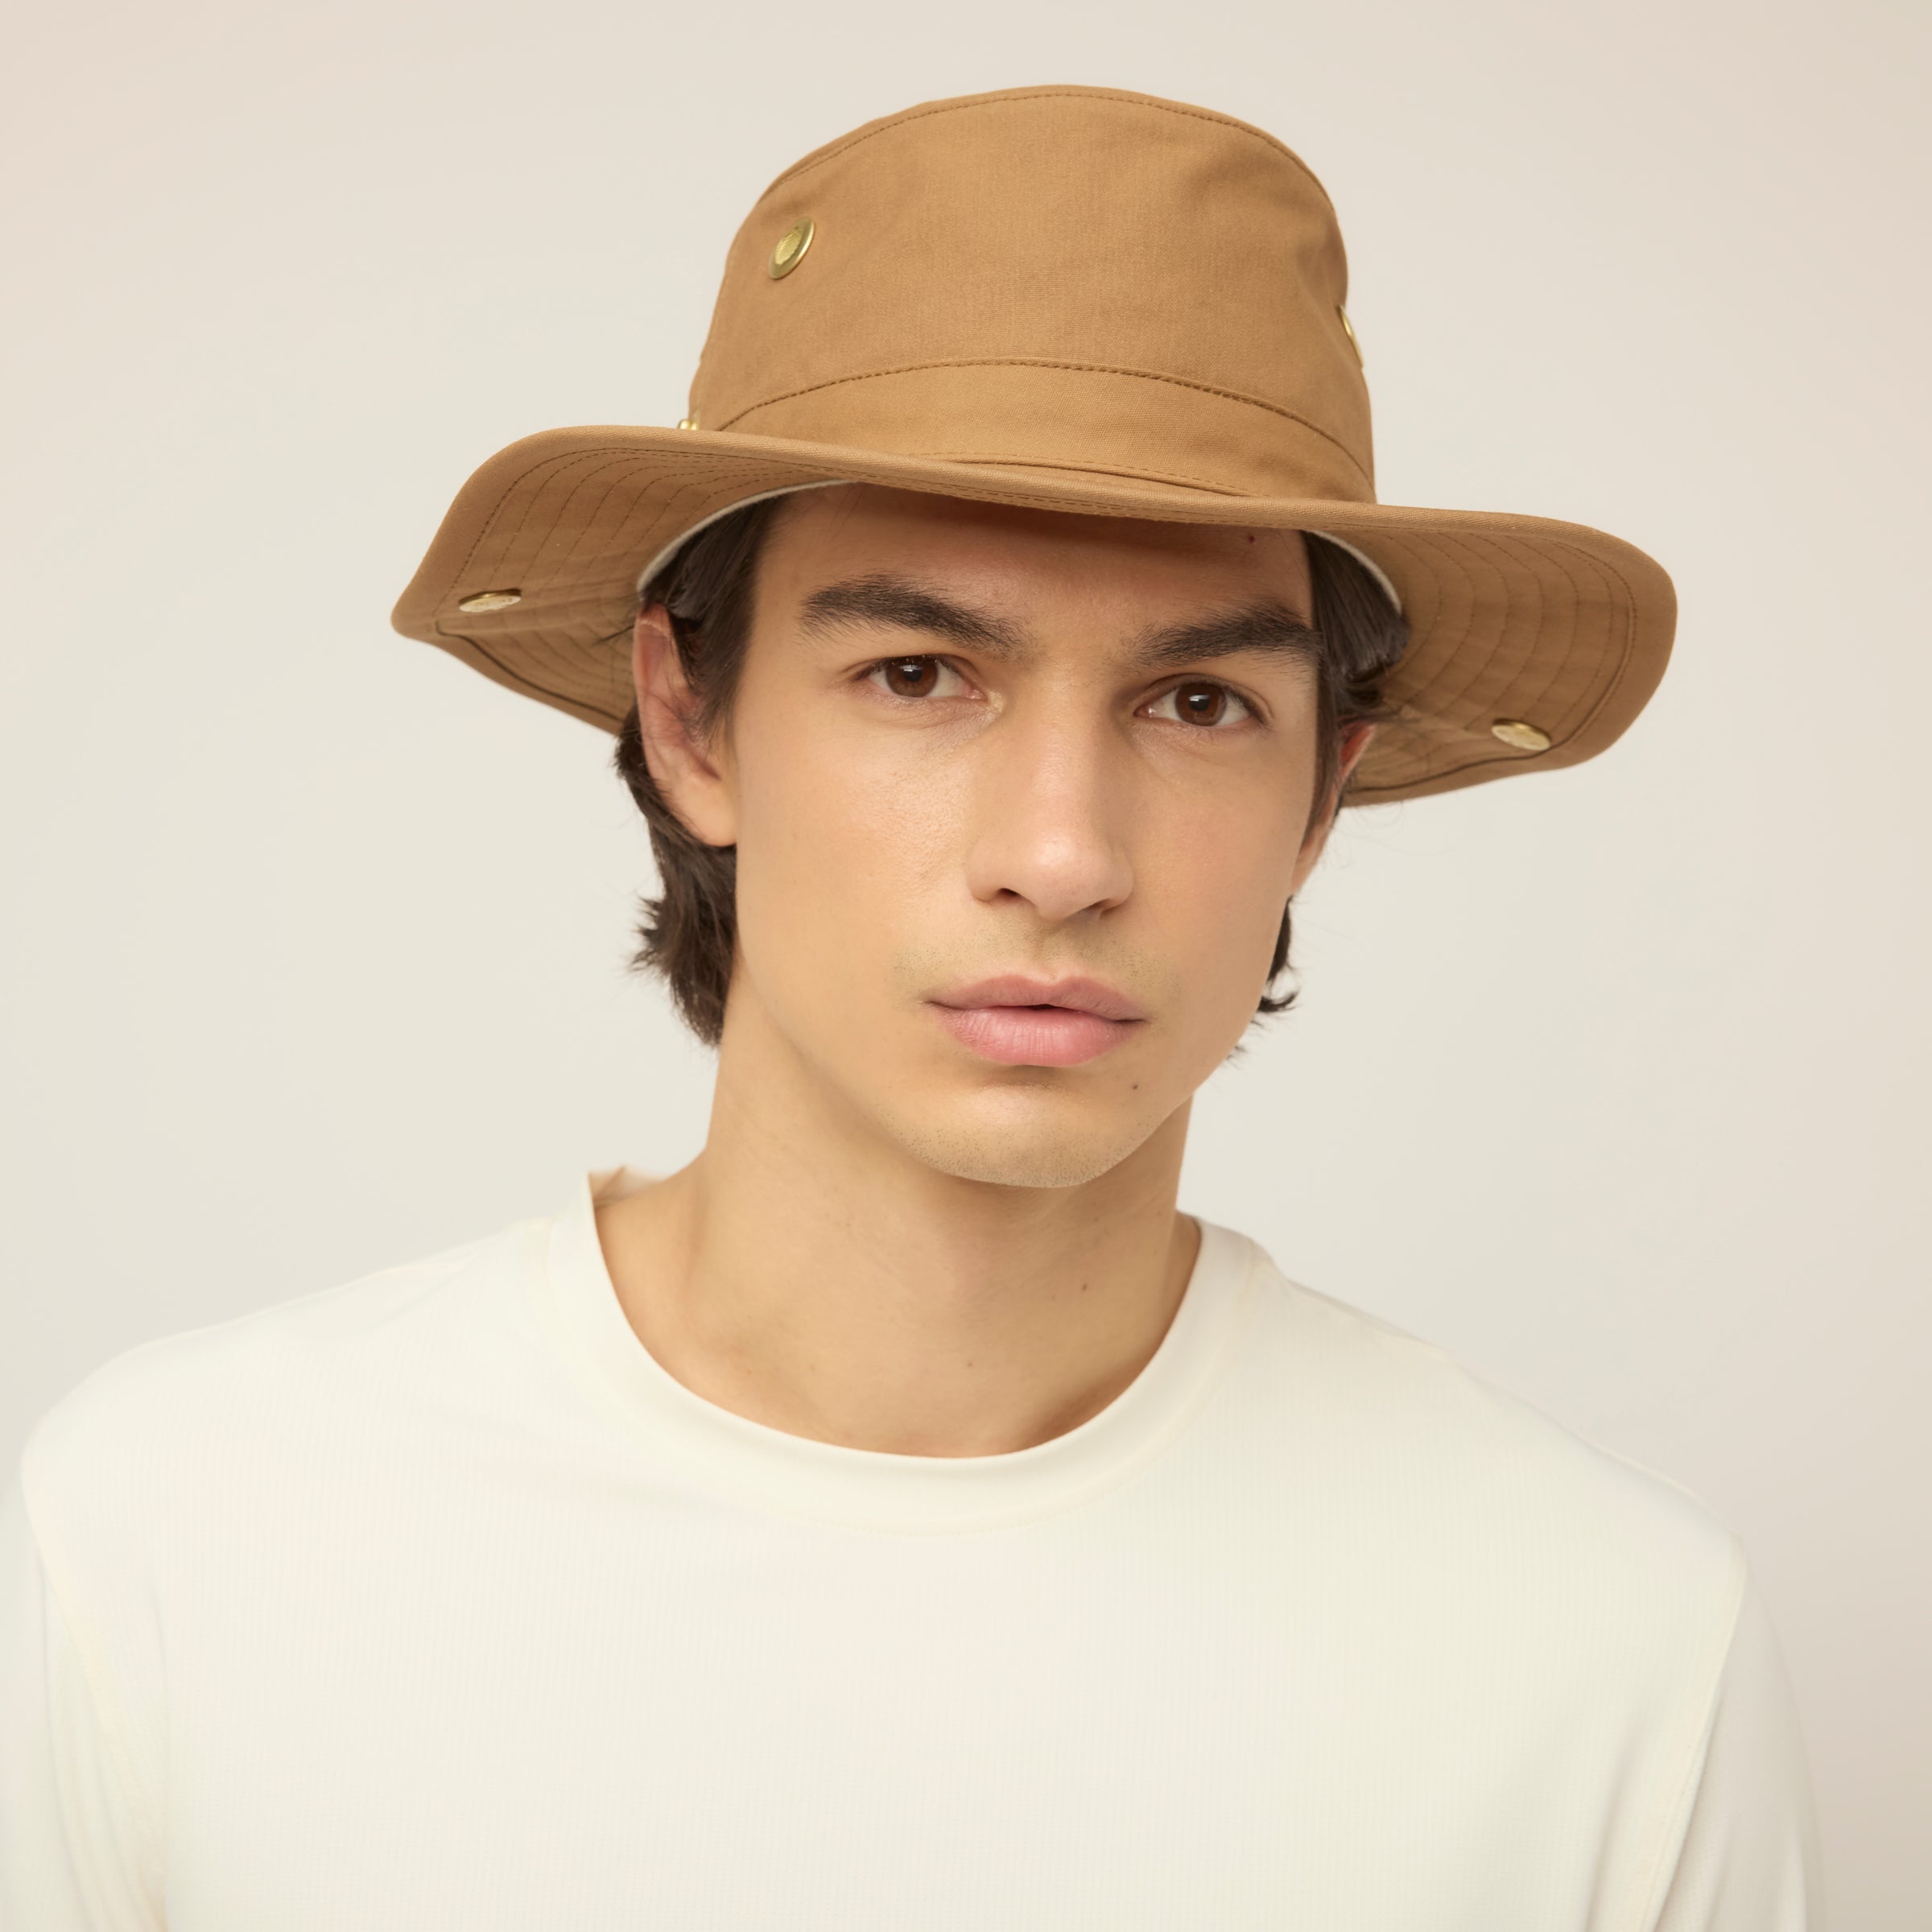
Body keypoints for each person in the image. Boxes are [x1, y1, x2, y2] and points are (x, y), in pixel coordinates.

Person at [0, 85, 1821, 1929]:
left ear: (1321, 802)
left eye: (1200, 705)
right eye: (919, 673)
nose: (1062, 853)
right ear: (691, 720)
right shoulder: (179, 1541)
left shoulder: (1606, 1651)